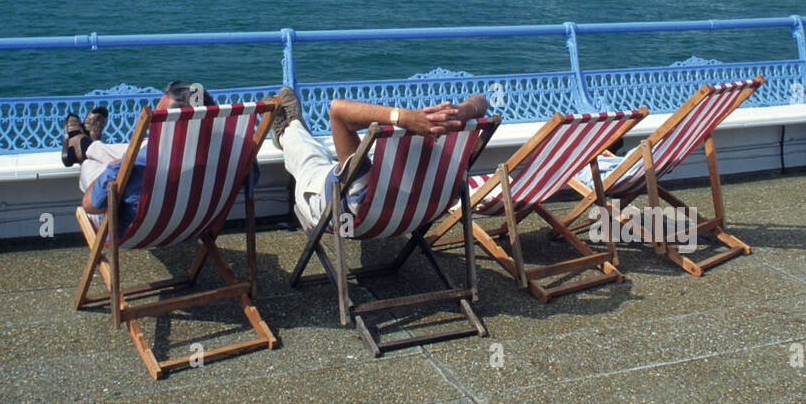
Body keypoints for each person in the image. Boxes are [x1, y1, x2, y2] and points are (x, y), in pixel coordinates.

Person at [267, 86, 490, 230]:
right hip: (421, 216)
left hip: (344, 218)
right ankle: (293, 128)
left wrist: (402, 117)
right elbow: (482, 100)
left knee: (310, 160)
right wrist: (462, 112)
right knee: (329, 162)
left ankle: (289, 127)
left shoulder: (364, 184)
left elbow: (337, 110)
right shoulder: (443, 180)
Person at [61, 81, 226, 237]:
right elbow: (251, 181)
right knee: (137, 148)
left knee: (90, 164)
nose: (153, 123)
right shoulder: (234, 148)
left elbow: (91, 205)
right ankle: (89, 144)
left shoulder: (139, 162)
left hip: (131, 230)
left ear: (174, 125)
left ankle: (81, 148)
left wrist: (113, 169)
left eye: (158, 118)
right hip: (195, 223)